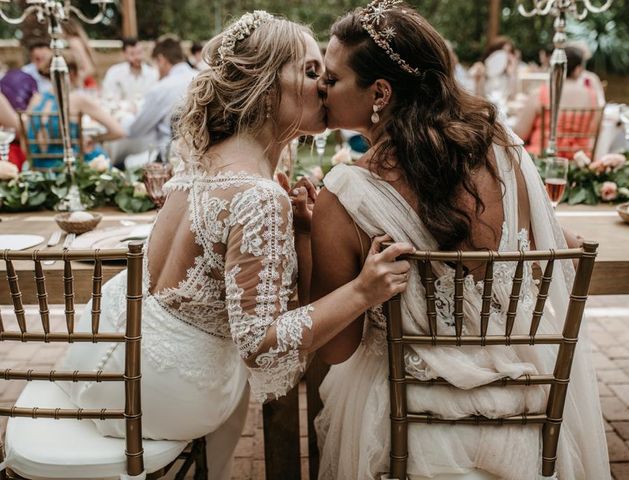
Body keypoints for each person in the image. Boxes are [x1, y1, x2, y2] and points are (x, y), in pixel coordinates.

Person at [56, 11, 412, 479]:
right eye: (309, 71)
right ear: (265, 86)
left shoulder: (201, 163)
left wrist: (303, 232)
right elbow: (261, 346)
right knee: (238, 376)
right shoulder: (258, 195)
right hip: (160, 392)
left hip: (106, 356)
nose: (323, 85)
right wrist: (363, 291)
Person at [313, 2, 609, 479]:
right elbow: (539, 255)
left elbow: (334, 350)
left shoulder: (342, 196)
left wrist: (316, 233)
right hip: (523, 399)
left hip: (405, 416)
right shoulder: (503, 148)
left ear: (380, 92)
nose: (321, 89)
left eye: (332, 78)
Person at [21, 58, 124, 169]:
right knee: (101, 159)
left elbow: (24, 138)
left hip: (38, 166)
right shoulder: (77, 100)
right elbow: (119, 131)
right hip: (71, 167)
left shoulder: (36, 99)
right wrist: (93, 139)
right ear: (73, 74)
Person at [113, 35, 197, 168]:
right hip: (200, 155)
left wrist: (124, 117)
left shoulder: (161, 88)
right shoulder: (201, 77)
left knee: (119, 165)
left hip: (169, 158)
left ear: (161, 60)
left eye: (156, 64)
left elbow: (135, 131)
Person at [514, 46, 600, 158]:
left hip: (542, 158)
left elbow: (519, 135)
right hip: (578, 159)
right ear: (578, 69)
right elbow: (593, 131)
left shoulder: (540, 93)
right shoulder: (592, 96)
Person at [101, 37, 159, 102]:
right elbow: (108, 96)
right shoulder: (114, 72)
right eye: (132, 54)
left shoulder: (153, 73)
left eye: (139, 53)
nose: (137, 57)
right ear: (124, 54)